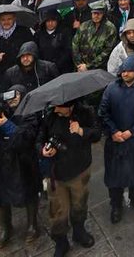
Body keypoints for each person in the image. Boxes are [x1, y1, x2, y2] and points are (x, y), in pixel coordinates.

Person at [0, 86, 42, 248]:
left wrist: (6, 124)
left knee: (29, 193)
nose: (14, 98)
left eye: (18, 95)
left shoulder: (29, 113)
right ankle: (6, 229)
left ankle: (33, 226)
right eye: (10, 95)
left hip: (22, 161)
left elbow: (26, 137)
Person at [99, 55, 134, 223]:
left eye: (129, 71)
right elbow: (103, 112)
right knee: (114, 174)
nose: (125, 74)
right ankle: (116, 204)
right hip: (115, 141)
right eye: (123, 71)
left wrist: (132, 131)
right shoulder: (111, 88)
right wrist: (114, 132)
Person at [36, 100, 96, 256]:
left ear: (69, 106)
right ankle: (61, 242)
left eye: (59, 107)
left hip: (79, 170)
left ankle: (79, 231)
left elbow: (96, 134)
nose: (56, 109)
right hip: (56, 175)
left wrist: (82, 131)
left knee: (79, 204)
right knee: (57, 211)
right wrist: (43, 150)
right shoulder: (49, 117)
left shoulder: (85, 112)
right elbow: (39, 139)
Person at [70, 0, 116, 71]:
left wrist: (89, 66)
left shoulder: (110, 28)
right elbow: (75, 45)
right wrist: (79, 65)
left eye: (99, 13)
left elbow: (107, 51)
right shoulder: (84, 26)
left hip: (99, 68)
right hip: (80, 68)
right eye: (94, 13)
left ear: (103, 14)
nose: (96, 16)